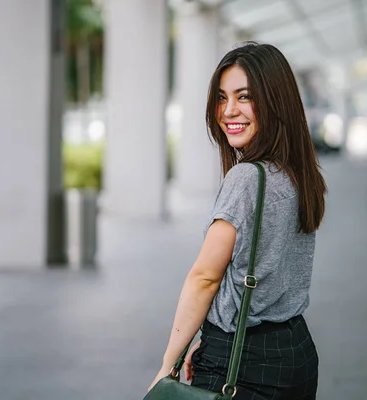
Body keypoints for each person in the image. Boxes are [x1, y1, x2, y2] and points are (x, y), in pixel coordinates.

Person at [147, 42, 327, 400]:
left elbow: (205, 277)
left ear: (275, 101)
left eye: (244, 97)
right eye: (221, 97)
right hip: (295, 352)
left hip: (242, 361)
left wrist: (167, 365)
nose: (229, 111)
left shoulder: (247, 179)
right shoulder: (297, 172)